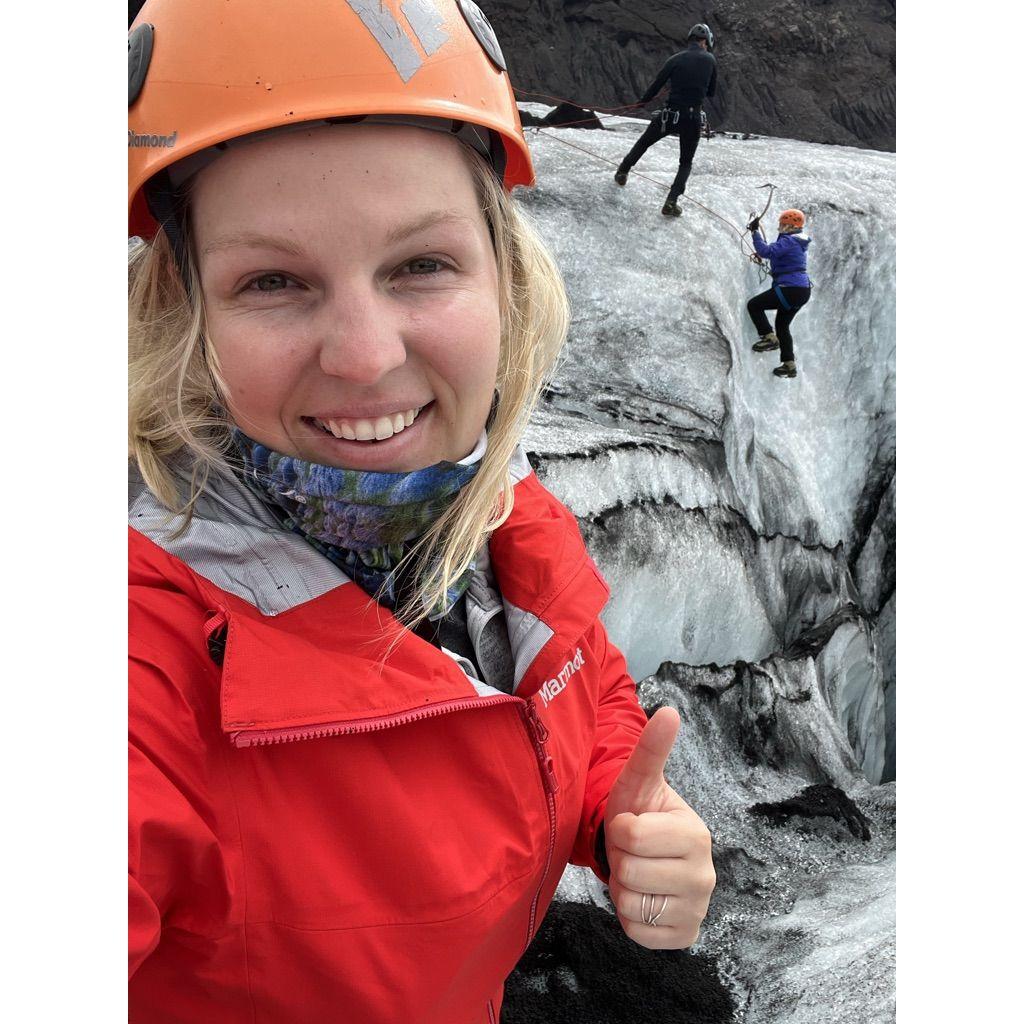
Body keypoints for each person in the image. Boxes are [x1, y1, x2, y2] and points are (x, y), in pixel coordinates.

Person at [127, 2, 717, 1021]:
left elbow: (580, 694)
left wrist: (619, 802)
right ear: (185, 311)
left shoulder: (504, 521)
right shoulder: (139, 649)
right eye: (272, 280)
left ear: (504, 277)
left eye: (419, 265)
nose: (364, 356)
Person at [614, 23, 718, 217]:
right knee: (685, 163)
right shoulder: (710, 60)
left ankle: (623, 171)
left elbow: (656, 85)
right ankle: (671, 201)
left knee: (644, 142)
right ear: (705, 41)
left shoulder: (675, 59)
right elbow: (711, 92)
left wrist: (640, 103)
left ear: (690, 40)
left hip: (670, 114)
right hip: (692, 117)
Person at [746, 209, 813, 379]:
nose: (780, 227)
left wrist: (754, 232)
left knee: (754, 305)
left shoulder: (790, 241)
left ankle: (768, 337)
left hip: (790, 289)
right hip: (801, 291)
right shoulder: (795, 241)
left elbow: (766, 251)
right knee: (782, 326)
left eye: (783, 224)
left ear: (791, 225)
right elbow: (774, 254)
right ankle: (789, 365)